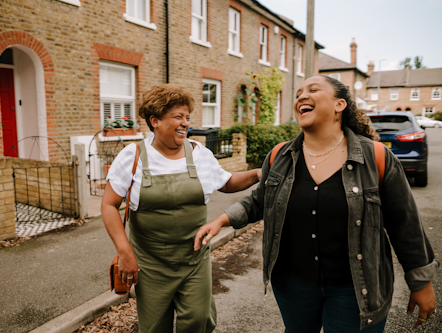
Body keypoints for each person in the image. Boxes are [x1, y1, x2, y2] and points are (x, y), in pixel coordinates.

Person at [195, 75, 438, 332]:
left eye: (313, 90)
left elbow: (405, 223)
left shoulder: (375, 157)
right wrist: (222, 220)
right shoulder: (279, 156)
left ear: (339, 105)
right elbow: (261, 200)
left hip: (355, 287)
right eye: (298, 92)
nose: (301, 96)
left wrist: (421, 282)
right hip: (293, 284)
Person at [101, 84, 261, 333]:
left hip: (194, 259)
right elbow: (109, 205)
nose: (185, 123)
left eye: (187, 117)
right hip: (150, 263)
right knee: (154, 328)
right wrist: (124, 252)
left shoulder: (200, 154)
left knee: (198, 320)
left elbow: (226, 182)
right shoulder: (132, 157)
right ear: (155, 120)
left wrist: (259, 173)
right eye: (178, 117)